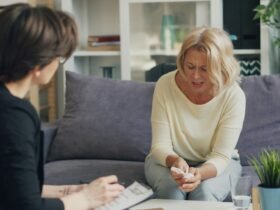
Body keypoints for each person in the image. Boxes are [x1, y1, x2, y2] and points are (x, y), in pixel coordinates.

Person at [0, 3, 124, 210]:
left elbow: (12, 188)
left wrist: (70, 192)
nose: (58, 64)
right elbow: (25, 206)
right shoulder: (14, 115)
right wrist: (86, 200)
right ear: (37, 66)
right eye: (57, 57)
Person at [144, 26, 246, 201]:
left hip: (217, 163)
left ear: (220, 67)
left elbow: (221, 156)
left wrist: (199, 173)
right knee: (172, 192)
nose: (195, 76)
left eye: (205, 69)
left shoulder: (233, 95)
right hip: (169, 161)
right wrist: (175, 162)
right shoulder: (165, 85)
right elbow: (159, 146)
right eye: (190, 66)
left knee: (204, 194)